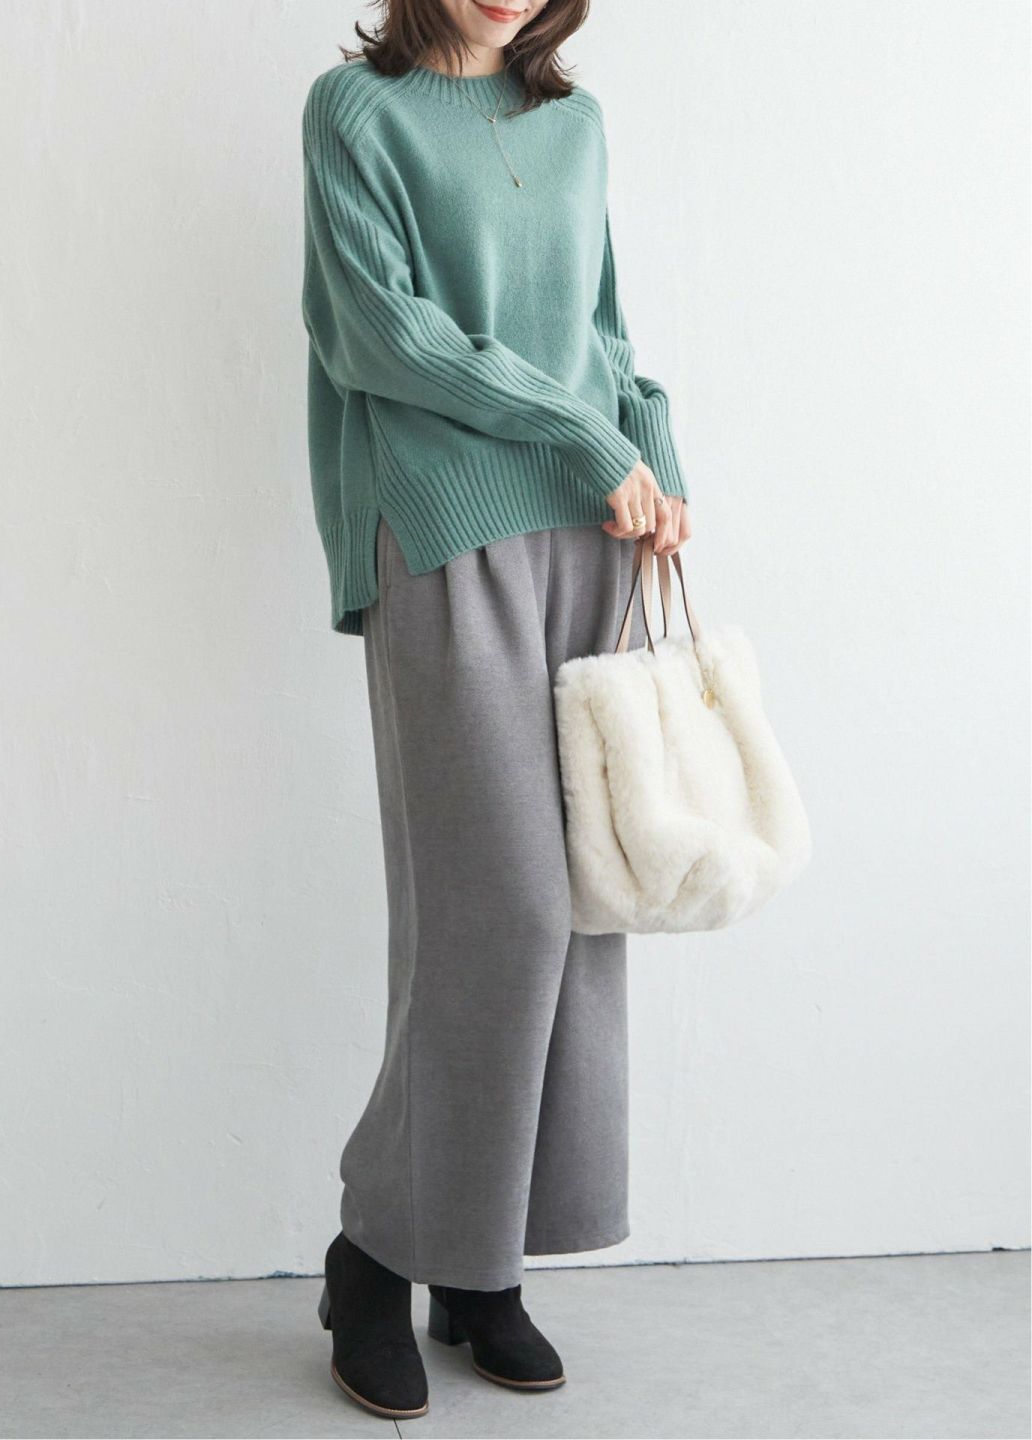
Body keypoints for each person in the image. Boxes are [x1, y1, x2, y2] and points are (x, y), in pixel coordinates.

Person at [300, 0, 693, 1419]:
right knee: (494, 908)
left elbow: (602, 326)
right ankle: (373, 1256)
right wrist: (584, 431)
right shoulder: (358, 113)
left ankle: (479, 1267)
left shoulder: (574, 121)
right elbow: (381, 337)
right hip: (443, 519)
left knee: (578, 906)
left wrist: (655, 450)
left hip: (592, 524)